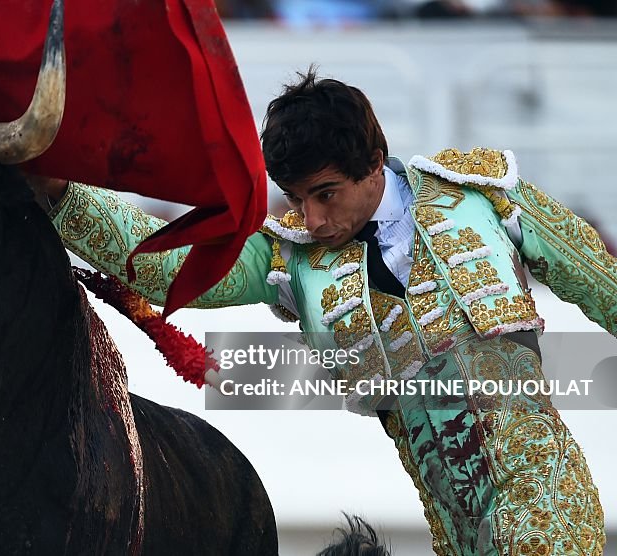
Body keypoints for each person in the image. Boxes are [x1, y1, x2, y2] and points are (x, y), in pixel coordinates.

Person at [31, 69, 608, 554]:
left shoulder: (481, 196)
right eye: (297, 198)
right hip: (457, 533)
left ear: (375, 163)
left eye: (326, 194)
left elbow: (604, 283)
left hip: (551, 504)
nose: (311, 219)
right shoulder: (292, 260)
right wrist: (64, 193)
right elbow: (171, 265)